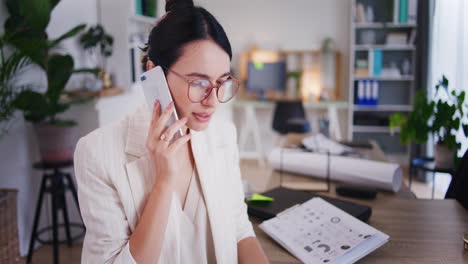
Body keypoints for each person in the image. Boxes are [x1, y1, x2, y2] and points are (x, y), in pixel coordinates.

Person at [73, 0, 269, 263]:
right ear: (154, 74)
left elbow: (239, 229)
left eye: (222, 81)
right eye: (199, 82)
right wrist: (163, 182)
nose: (213, 101)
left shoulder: (223, 134)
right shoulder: (97, 152)